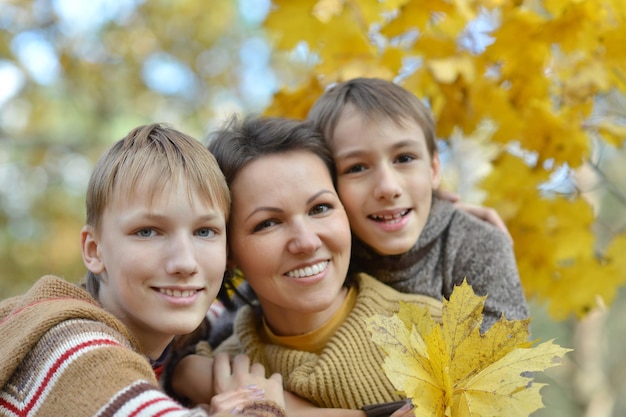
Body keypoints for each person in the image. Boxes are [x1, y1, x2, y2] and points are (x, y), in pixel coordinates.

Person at [0, 124, 286, 417]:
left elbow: (227, 309)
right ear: (94, 250)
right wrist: (258, 408)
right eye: (147, 232)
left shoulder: (169, 329)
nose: (185, 263)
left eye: (204, 231)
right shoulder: (71, 348)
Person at [169, 116, 443, 417]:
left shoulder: (435, 331)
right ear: (227, 251)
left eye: (320, 208)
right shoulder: (221, 380)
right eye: (268, 223)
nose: (307, 242)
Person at [306, 77, 529, 332]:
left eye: (404, 158)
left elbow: (507, 364)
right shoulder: (317, 254)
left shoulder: (476, 245)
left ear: (434, 170)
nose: (388, 188)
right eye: (356, 167)